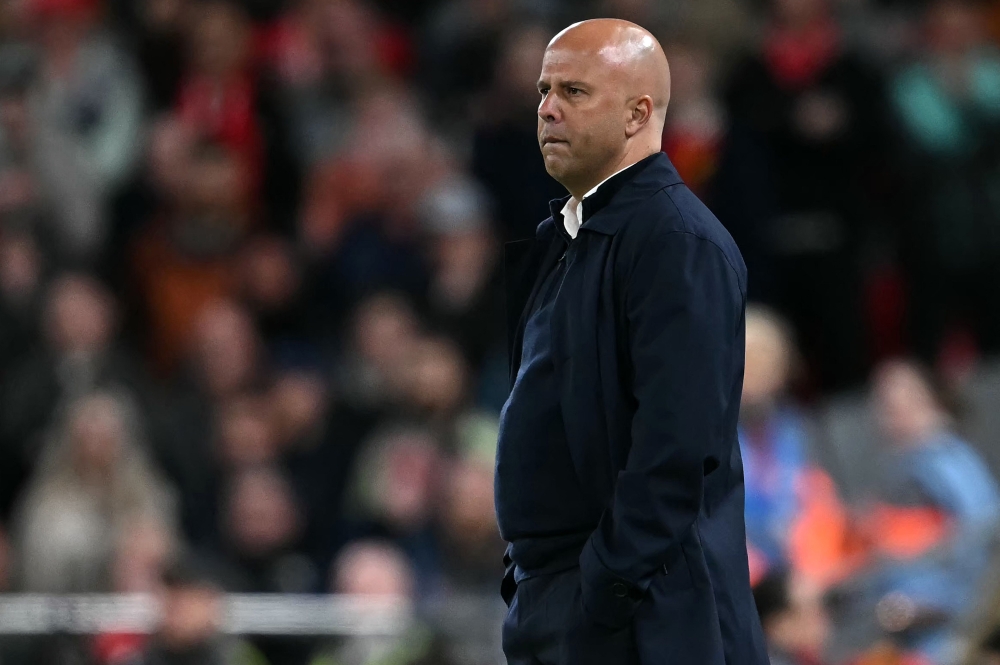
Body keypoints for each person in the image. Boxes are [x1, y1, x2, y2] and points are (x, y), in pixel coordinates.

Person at [494, 18, 768, 665]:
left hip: (650, 617)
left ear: (638, 112)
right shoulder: (565, 239)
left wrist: (604, 590)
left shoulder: (677, 241)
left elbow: (677, 446)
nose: (547, 109)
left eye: (574, 91)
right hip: (564, 600)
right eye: (543, 91)